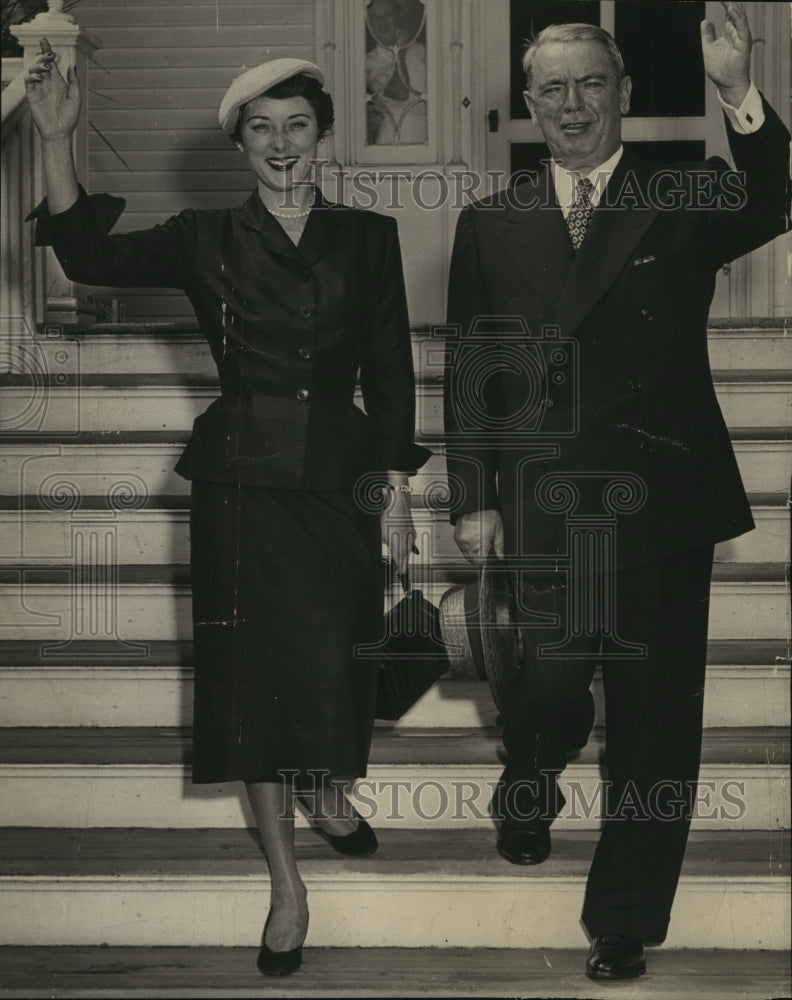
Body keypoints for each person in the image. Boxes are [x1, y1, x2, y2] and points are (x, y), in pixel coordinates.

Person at [25, 43, 430, 977]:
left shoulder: (370, 237)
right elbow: (85, 256)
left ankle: (329, 794)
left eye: (297, 126)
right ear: (239, 144)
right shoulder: (202, 237)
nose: (281, 145)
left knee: (336, 656)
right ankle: (288, 887)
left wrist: (396, 492)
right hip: (241, 487)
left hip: (337, 477)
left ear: (322, 137)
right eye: (261, 129)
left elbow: (392, 372)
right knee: (252, 683)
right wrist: (55, 140)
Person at [444, 2, 788, 982]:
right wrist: (474, 490)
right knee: (548, 680)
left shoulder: (683, 191)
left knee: (653, 719)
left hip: (664, 494)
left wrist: (736, 91)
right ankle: (531, 771)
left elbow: (776, 198)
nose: (572, 104)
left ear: (626, 93)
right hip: (547, 496)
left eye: (591, 82)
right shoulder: (491, 219)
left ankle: (626, 916)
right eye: (551, 88)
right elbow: (474, 360)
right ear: (527, 105)